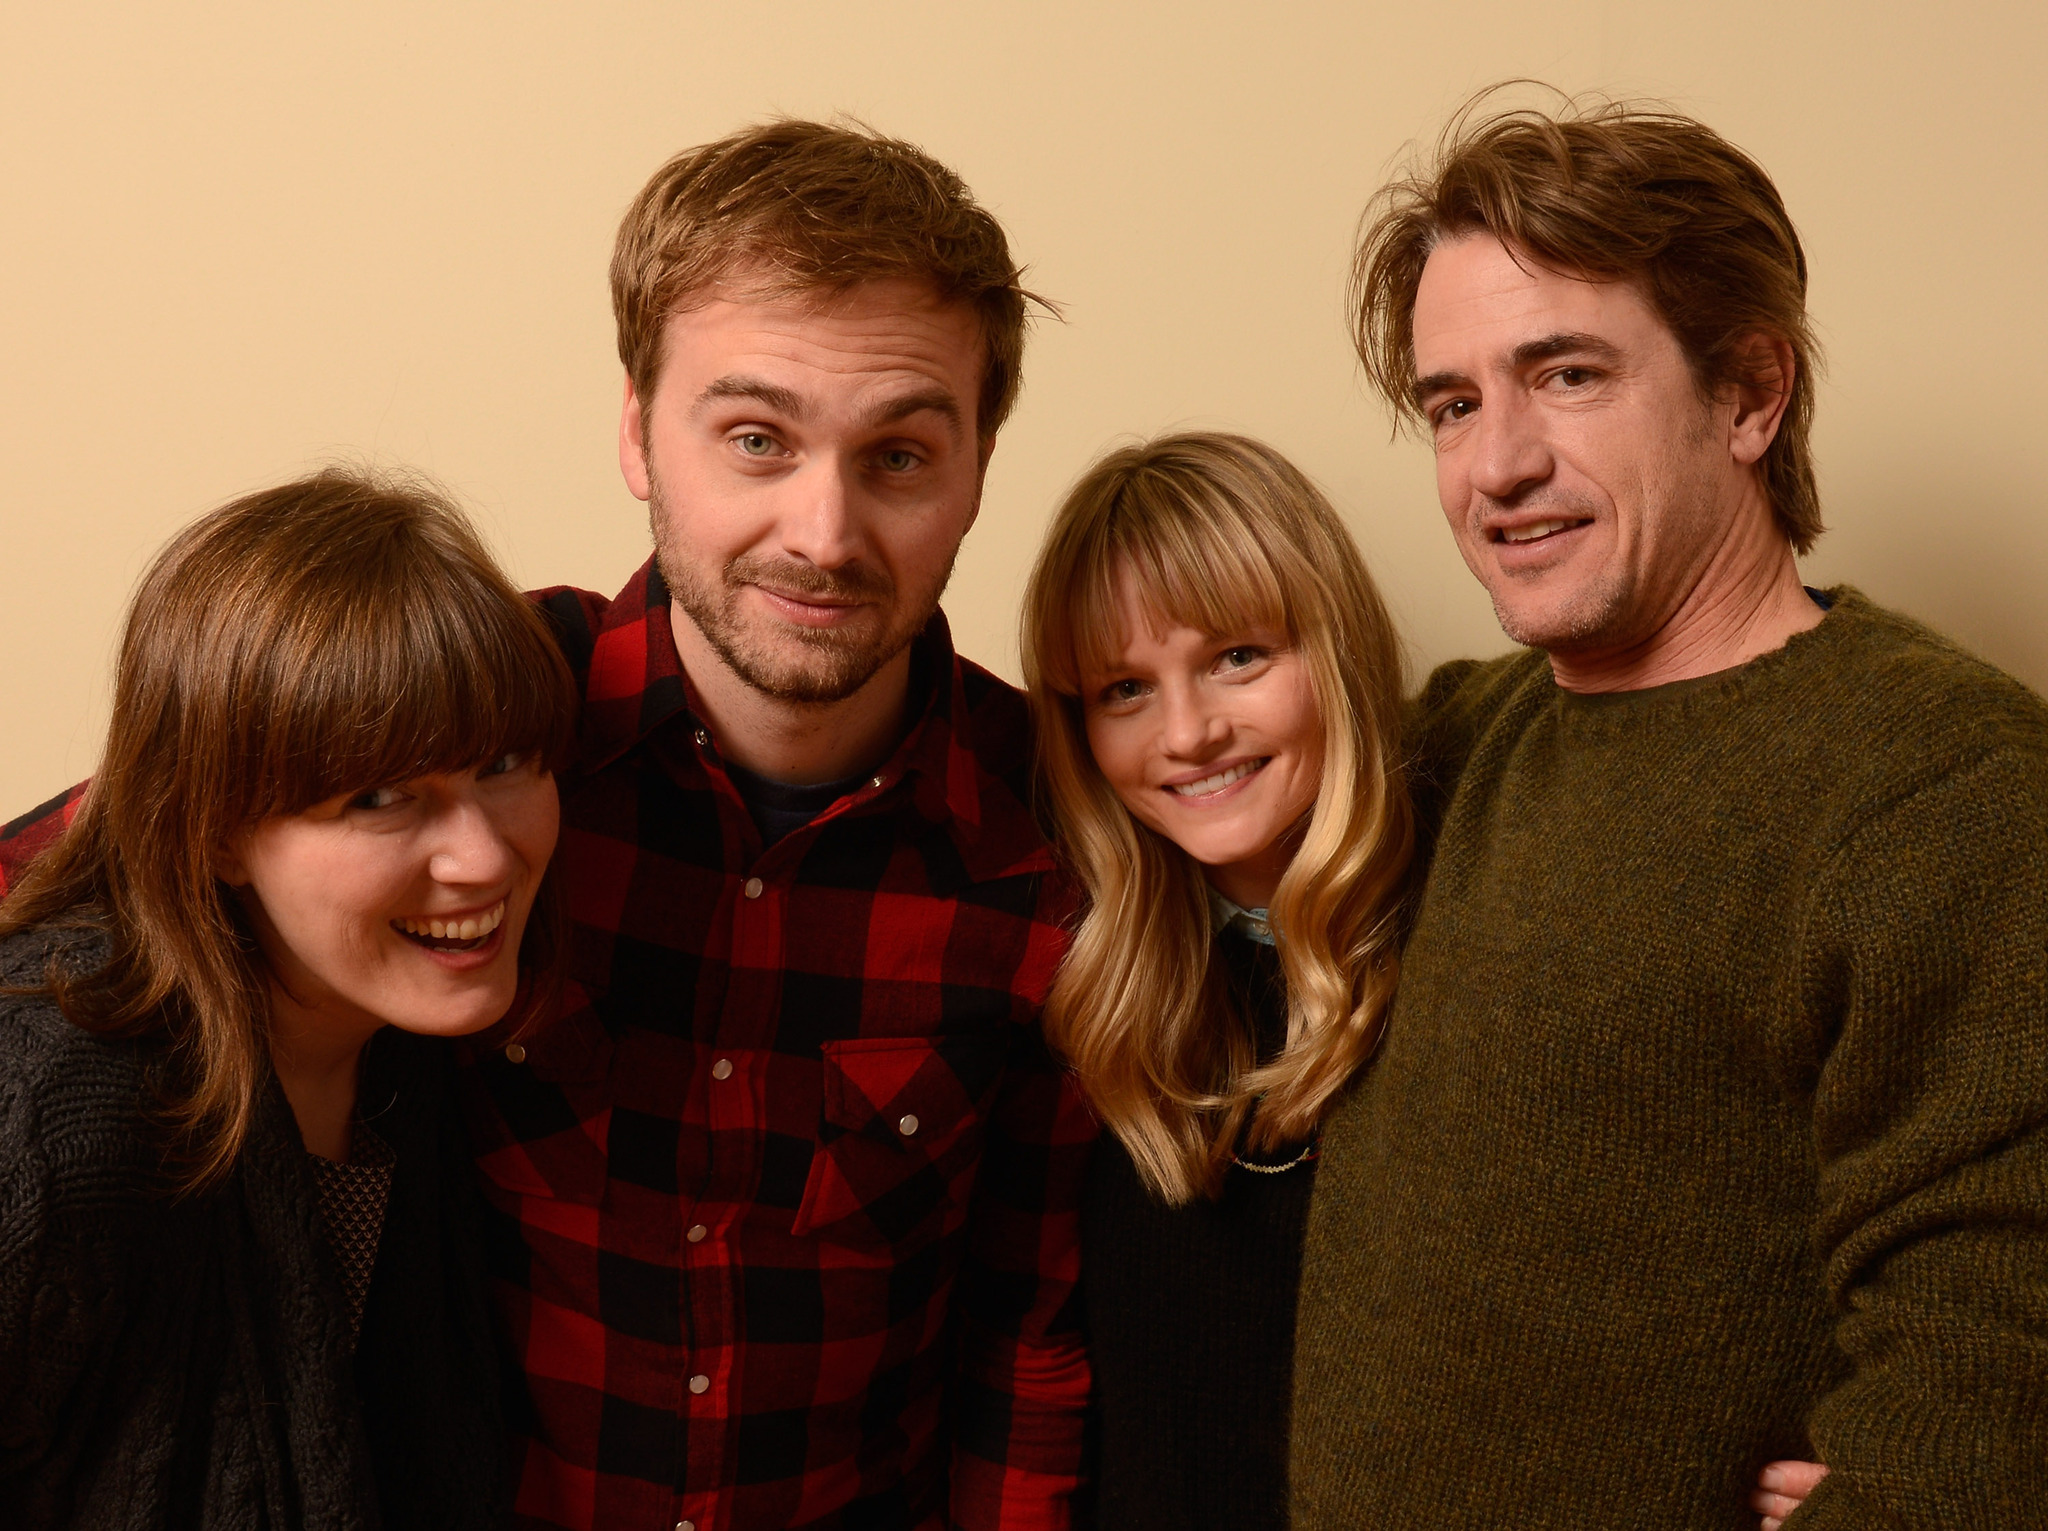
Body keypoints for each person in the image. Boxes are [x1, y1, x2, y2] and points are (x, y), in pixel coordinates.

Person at [1287, 90, 2048, 1528]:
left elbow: (1998, 1338)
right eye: (1452, 405)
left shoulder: (1941, 780)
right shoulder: (1454, 743)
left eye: (1566, 373)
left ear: (1749, 394)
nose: (1496, 464)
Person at [456, 120, 1093, 1531]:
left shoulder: (1060, 835)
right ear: (636, 430)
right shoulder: (470, 718)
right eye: (756, 438)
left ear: (982, 463)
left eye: (901, 456)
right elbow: (113, 868)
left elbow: (1025, 1339)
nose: (823, 529)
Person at [0, 469, 576, 1530]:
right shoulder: (56, 1108)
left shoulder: (410, 1064)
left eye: (504, 763)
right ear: (215, 829)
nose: (483, 856)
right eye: (382, 797)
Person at [1019, 431, 1410, 1531]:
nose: (1187, 733)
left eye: (1238, 656)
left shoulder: (1474, 926)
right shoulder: (1083, 982)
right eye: (1125, 688)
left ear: (1330, 650)